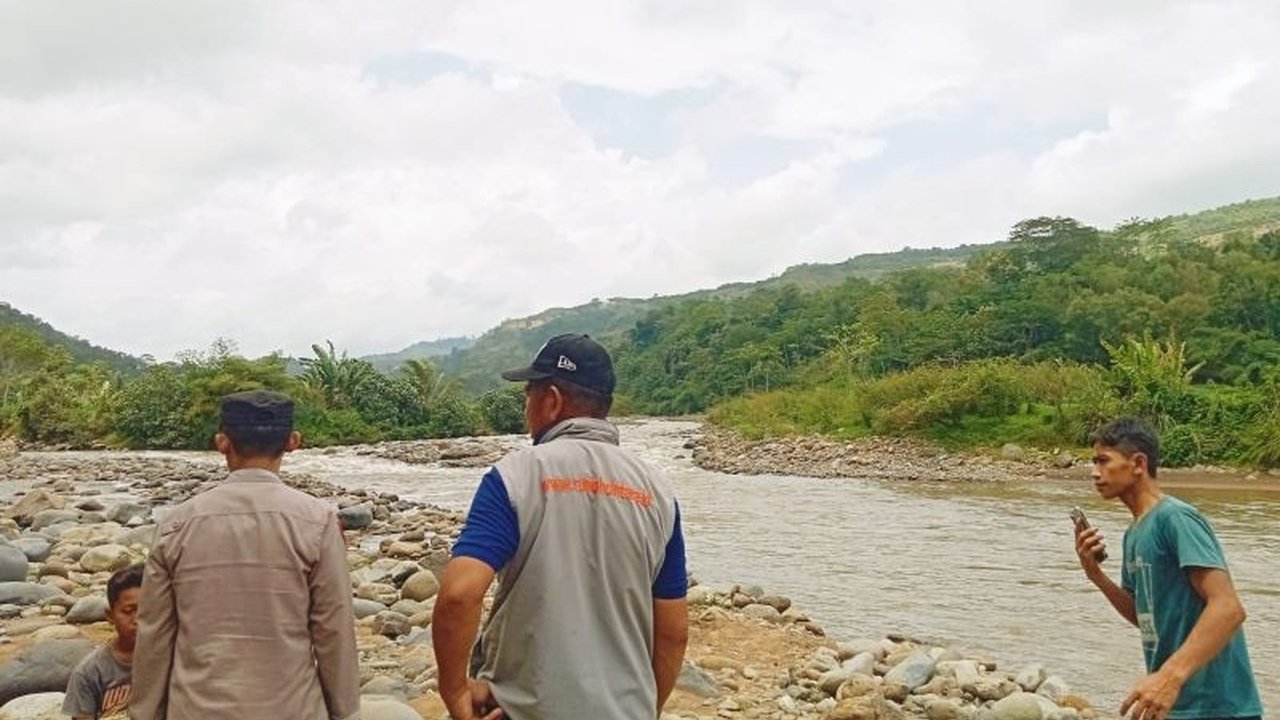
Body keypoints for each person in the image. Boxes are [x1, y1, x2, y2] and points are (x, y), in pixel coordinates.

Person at [433, 333, 689, 720]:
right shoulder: (658, 492)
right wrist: (644, 709)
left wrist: (454, 691)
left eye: (528, 396)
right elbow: (673, 632)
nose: (526, 410)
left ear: (551, 401)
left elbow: (458, 594)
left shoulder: (514, 477)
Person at [130, 390, 359, 720]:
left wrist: (145, 714)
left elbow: (154, 636)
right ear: (293, 441)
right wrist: (346, 713)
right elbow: (333, 632)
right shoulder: (317, 521)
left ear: (222, 442)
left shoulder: (176, 524)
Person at [1075, 417, 1262, 720]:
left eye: (1103, 461)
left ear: (1138, 463)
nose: (1095, 473)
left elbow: (1228, 608)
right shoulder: (1134, 533)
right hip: (1173, 706)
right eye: (1093, 462)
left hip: (1218, 707)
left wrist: (1168, 677)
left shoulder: (1176, 519)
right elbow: (1146, 617)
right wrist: (1095, 575)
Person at [63, 564, 143, 719]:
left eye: (148, 609)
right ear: (110, 616)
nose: (138, 619)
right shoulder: (89, 673)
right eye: (128, 611)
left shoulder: (171, 657)